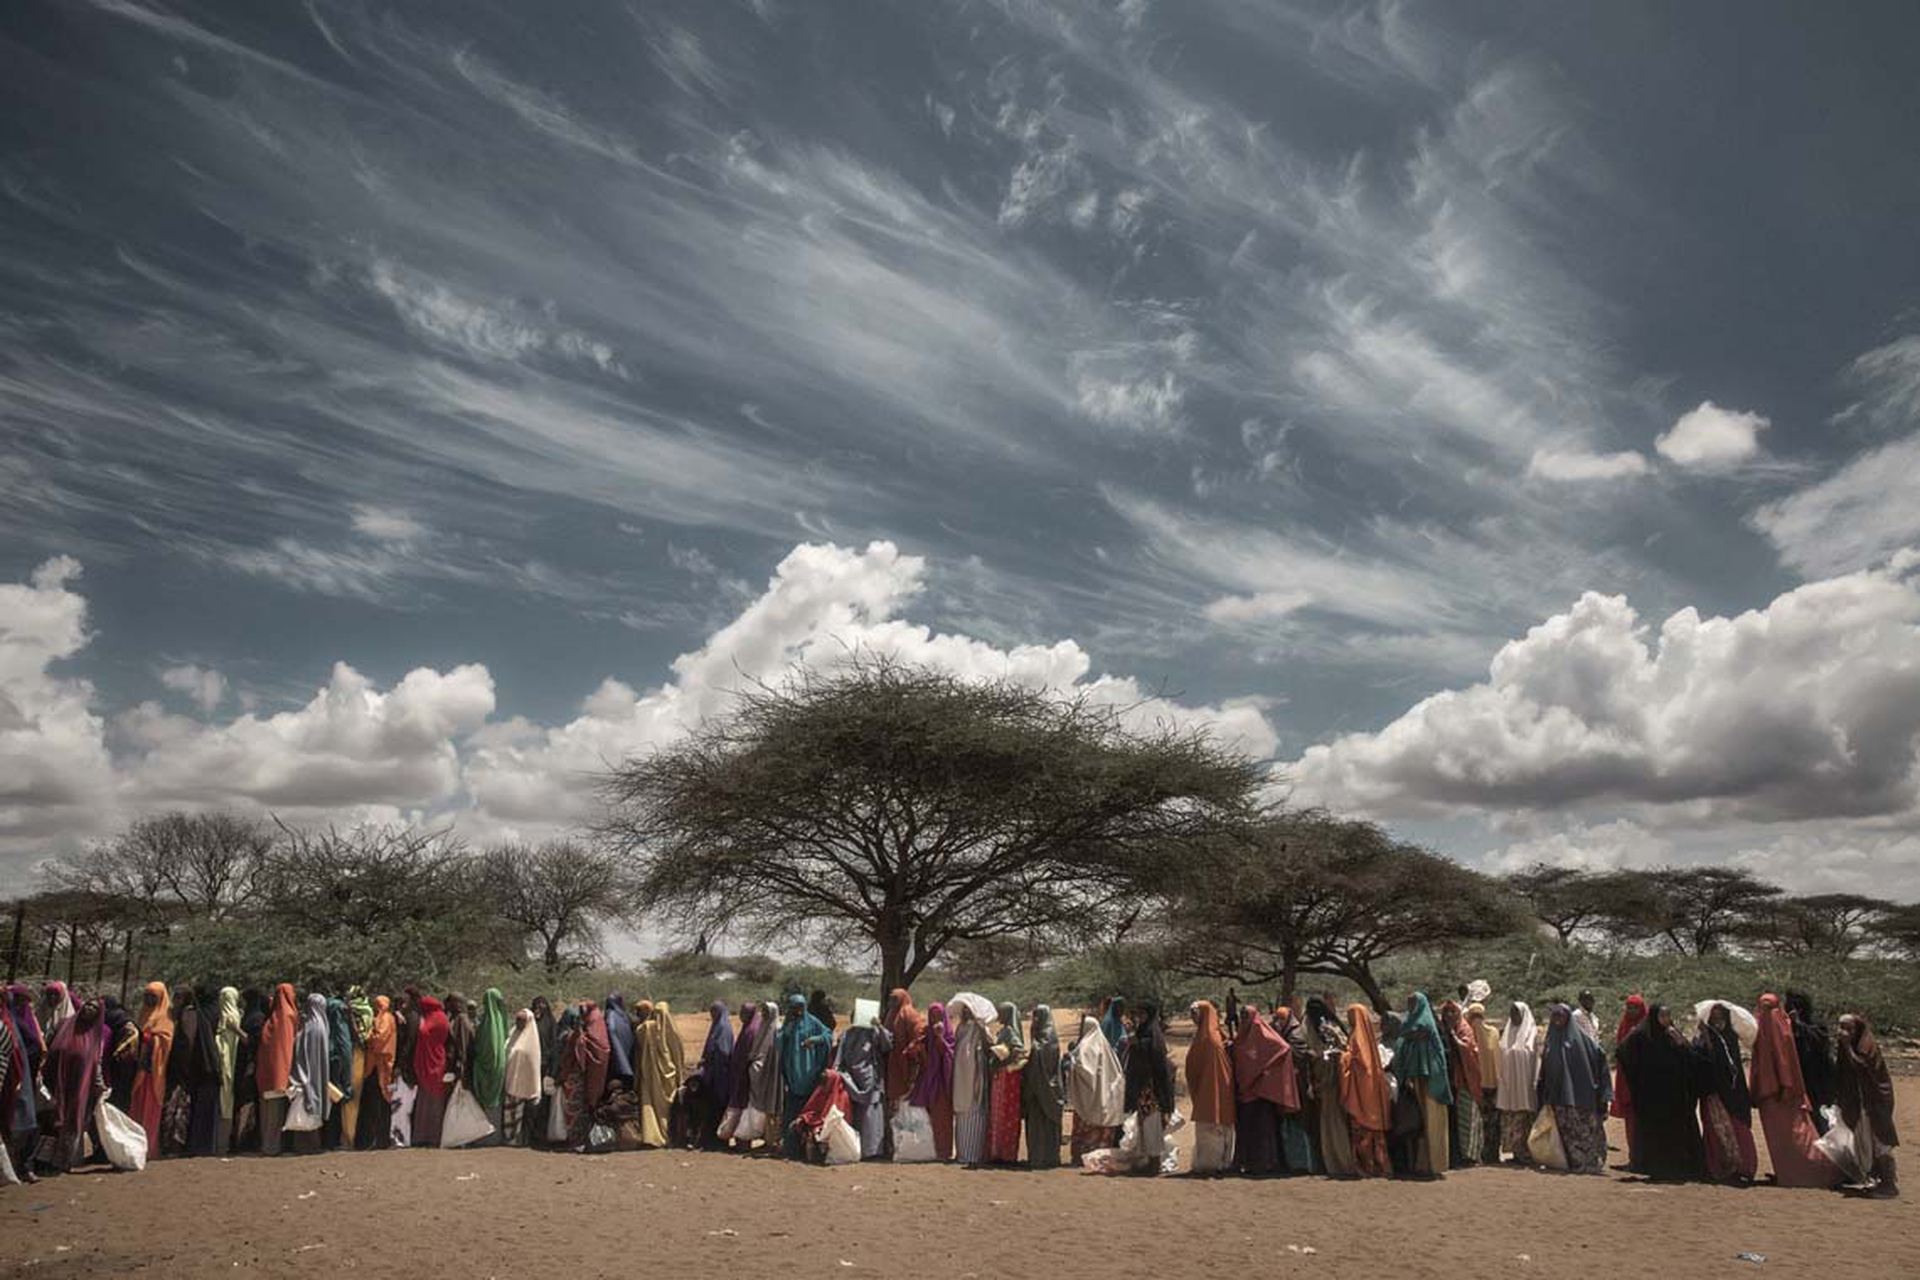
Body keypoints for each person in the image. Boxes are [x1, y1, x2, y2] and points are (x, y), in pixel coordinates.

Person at [1750, 993, 1840, 1188]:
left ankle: (1829, 1169)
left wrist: (1798, 1024)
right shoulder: (1780, 1027)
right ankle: (1792, 1171)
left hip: (1815, 1086)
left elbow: (1792, 1056)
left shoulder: (1807, 1026)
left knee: (1817, 1130)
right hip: (1794, 1088)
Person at [1614, 1003, 1704, 1182]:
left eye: (1667, 1016)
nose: (1665, 1020)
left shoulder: (1673, 1034)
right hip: (1654, 1096)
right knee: (1656, 1133)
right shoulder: (1642, 1034)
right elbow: (1623, 1051)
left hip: (1675, 1095)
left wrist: (1681, 1043)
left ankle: (1681, 1167)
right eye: (1661, 1016)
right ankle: (1658, 1167)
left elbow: (1690, 1058)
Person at [36, 996, 107, 1175]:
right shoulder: (64, 1025)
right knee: (51, 1120)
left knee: (70, 1122)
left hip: (79, 1086)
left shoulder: (96, 1037)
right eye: (88, 1005)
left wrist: (100, 1085)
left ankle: (60, 1162)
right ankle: (41, 1160)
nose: (89, 1009)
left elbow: (96, 1062)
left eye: (94, 1009)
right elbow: (47, 1046)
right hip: (55, 1080)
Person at [1538, 1001, 1611, 1174]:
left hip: (1582, 1096)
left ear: (1568, 1017)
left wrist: (1604, 1095)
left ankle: (1590, 1163)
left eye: (1560, 1016)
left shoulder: (1582, 1041)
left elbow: (1600, 1060)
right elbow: (1545, 1069)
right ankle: (1573, 1162)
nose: (1557, 1020)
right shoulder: (1551, 1039)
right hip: (1559, 1096)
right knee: (1567, 1132)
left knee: (1585, 1130)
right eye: (1554, 1016)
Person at [1693, 1002, 1756, 1185]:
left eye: (1720, 1015)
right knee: (1715, 1129)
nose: (1717, 1019)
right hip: (1712, 1091)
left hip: (1731, 1092)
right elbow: (1700, 1058)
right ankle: (1719, 1166)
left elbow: (1729, 1064)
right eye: (1714, 1015)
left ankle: (1742, 1167)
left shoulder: (1728, 1037)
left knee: (1736, 1128)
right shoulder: (1704, 1038)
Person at [1835, 1013, 1898, 1196]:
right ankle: (1876, 1180)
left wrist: (1847, 1047)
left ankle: (1889, 1184)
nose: (1842, 1032)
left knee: (1880, 1141)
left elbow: (1862, 1068)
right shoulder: (1846, 1047)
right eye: (1840, 1027)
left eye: (1848, 1028)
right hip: (1861, 1102)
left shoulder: (1866, 1047)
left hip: (1875, 1102)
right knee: (1865, 1140)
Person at [1231, 1003, 1296, 1176]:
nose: (1244, 1018)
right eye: (1242, 1015)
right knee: (1245, 1128)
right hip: (1244, 1090)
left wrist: (1265, 1072)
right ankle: (1247, 1163)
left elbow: (1283, 1048)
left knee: (1262, 1129)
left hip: (1260, 1091)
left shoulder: (1261, 1031)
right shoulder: (1241, 1035)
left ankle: (1265, 1164)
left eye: (1246, 1015)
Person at [1391, 992, 1451, 1177]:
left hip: (1430, 1083)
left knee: (1430, 1122)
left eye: (1413, 1002)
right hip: (1412, 1083)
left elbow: (1436, 1059)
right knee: (1416, 1123)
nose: (1410, 1006)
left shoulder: (1426, 1028)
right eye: (1408, 1002)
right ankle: (1419, 1164)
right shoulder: (1408, 1027)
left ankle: (1433, 1163)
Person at [1123, 999, 1175, 1175]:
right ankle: (1148, 1160)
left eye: (1143, 1014)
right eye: (1138, 1014)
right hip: (1143, 1087)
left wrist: (1137, 1043)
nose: (1139, 1017)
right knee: (1144, 1124)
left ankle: (1154, 1162)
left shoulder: (1153, 1033)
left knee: (1152, 1124)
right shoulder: (1143, 1031)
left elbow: (1154, 1055)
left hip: (1152, 1088)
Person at [1340, 1004, 1393, 1178]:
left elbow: (1359, 1062)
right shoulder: (1367, 1037)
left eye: (1350, 1015)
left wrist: (1343, 1057)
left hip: (1361, 1091)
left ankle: (1367, 1167)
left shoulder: (1358, 1037)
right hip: (1371, 1090)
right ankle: (1381, 1166)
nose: (1348, 1019)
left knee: (1362, 1127)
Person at [1304, 998, 1354, 1177]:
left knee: (1332, 1121)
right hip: (1334, 1080)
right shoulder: (1333, 1026)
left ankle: (1339, 1162)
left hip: (1330, 1081)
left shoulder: (1323, 1029)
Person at [1184, 999, 1235, 1175]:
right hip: (1206, 1090)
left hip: (1213, 1091)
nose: (1193, 1018)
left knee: (1212, 1129)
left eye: (1195, 1014)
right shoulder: (1204, 1035)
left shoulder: (1211, 1040)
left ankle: (1212, 1164)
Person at [778, 994, 831, 1159]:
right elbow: (779, 1042)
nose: (798, 1010)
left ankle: (805, 1150)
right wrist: (786, 1031)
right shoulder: (788, 1023)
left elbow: (828, 1035)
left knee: (807, 1113)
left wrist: (815, 1039)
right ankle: (790, 1149)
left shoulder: (813, 1022)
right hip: (792, 1075)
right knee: (790, 1113)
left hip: (809, 1074)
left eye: (800, 1007)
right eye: (794, 1007)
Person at [1066, 1011, 1123, 1163]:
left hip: (1090, 1097)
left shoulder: (1088, 1046)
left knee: (1086, 1123)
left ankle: (1083, 1156)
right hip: (1103, 1094)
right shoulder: (1103, 1045)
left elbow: (1086, 1070)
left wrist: (1071, 1060)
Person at [834, 1009, 891, 1159]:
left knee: (872, 1115)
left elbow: (887, 1045)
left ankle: (873, 1150)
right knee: (857, 1114)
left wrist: (879, 1026)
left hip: (870, 1079)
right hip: (852, 1080)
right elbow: (839, 1058)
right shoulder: (847, 1034)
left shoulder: (873, 1033)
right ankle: (857, 1148)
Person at [129, 981, 174, 1161]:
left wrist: (151, 1040)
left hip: (155, 1072)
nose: (148, 1000)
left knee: (151, 1111)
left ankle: (149, 1149)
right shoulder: (142, 1015)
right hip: (140, 1072)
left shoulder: (166, 1017)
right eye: (146, 996)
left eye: (153, 997)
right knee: (136, 1109)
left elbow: (166, 1041)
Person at [906, 1002, 955, 1161]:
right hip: (928, 1079)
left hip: (942, 1080)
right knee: (929, 1117)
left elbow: (950, 1055)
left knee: (943, 1118)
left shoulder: (948, 1033)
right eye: (932, 1016)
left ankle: (944, 1152)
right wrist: (917, 1047)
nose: (935, 1019)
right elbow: (916, 1054)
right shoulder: (926, 1033)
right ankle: (930, 1150)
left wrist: (940, 1038)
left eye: (938, 1016)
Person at [4, 986, 43, 1180]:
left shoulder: (18, 1021)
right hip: (15, 1076)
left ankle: (24, 1167)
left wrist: (21, 1065)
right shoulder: (9, 1019)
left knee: (24, 1123)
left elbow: (36, 1046)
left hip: (20, 1078)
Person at [1784, 991, 1836, 1135]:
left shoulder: (1816, 1025)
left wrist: (1798, 1024)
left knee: (1822, 1117)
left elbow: (1819, 1042)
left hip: (1819, 1080)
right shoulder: (1787, 1027)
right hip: (1801, 1079)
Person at [1439, 999, 1483, 1168]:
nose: (1449, 1015)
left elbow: (1468, 1050)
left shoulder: (1464, 1029)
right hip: (1451, 1081)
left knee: (1468, 1117)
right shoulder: (1442, 1029)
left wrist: (1453, 1037)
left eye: (1452, 1012)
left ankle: (1471, 1155)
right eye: (1446, 1012)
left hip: (1466, 1080)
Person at [1495, 1001, 1539, 1165]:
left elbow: (1531, 1056)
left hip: (1524, 1085)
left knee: (1523, 1117)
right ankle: (1514, 1152)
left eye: (1516, 1013)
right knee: (1510, 1118)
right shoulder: (1507, 1033)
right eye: (1511, 1013)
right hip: (1509, 1085)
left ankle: (1525, 1154)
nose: (1513, 1016)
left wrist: (1514, 1053)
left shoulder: (1531, 1032)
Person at [687, 1001, 736, 1151]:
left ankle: (718, 1141)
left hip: (720, 1075)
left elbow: (723, 1052)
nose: (712, 1015)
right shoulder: (716, 1027)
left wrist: (709, 1060)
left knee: (718, 1107)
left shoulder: (723, 1028)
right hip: (713, 1075)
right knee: (712, 1107)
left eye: (714, 1012)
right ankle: (710, 1139)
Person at [287, 993, 332, 1154]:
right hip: (318, 1074)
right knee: (314, 1107)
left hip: (306, 1074)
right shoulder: (323, 1026)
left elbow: (300, 1052)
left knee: (306, 1106)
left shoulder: (310, 1027)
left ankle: (303, 1146)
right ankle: (313, 1145)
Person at [255, 983, 297, 1155]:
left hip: (267, 1071)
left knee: (267, 1112)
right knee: (275, 1113)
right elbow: (286, 1047)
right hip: (280, 1071)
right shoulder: (287, 1016)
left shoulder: (273, 1016)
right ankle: (272, 1147)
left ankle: (267, 1145)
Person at [1022, 1005, 1064, 1170]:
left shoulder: (1048, 1037)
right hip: (1037, 1090)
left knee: (1045, 1125)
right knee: (1035, 1126)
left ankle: (1049, 1158)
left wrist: (1032, 1049)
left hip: (1046, 1089)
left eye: (1037, 1017)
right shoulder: (1040, 1036)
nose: (1035, 1021)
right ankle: (1037, 1158)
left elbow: (1042, 1059)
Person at [951, 1002, 993, 1167]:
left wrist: (982, 1029)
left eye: (969, 1011)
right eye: (964, 1011)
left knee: (975, 1110)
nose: (967, 1013)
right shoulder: (960, 1028)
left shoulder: (980, 1028)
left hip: (976, 1074)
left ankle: (974, 1155)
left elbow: (990, 1044)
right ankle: (962, 1154)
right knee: (962, 1115)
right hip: (961, 1074)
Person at [635, 1000, 682, 1147]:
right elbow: (679, 1054)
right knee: (667, 1106)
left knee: (652, 1104)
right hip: (669, 1074)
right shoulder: (674, 1031)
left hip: (650, 1074)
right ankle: (670, 1135)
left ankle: (653, 1136)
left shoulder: (644, 1029)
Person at [183, 987, 224, 1156]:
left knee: (198, 1110)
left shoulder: (196, 1015)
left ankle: (196, 1145)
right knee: (209, 1110)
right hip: (210, 1067)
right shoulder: (214, 1014)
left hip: (197, 1069)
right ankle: (207, 1146)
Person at [1611, 993, 1648, 1169]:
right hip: (1627, 1081)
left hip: (1643, 1083)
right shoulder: (1624, 1025)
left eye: (1635, 1007)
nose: (1631, 1011)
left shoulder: (1647, 1027)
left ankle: (1645, 1159)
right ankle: (1634, 1158)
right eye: (1629, 1007)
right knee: (1630, 1122)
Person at [716, 1002, 762, 1149]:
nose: (741, 1015)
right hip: (739, 1074)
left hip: (746, 1075)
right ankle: (739, 1139)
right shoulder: (747, 1028)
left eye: (744, 1012)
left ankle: (744, 1141)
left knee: (744, 1109)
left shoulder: (753, 1030)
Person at [987, 1001, 1027, 1164]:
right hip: (1000, 1077)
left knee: (1007, 1113)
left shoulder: (1010, 1031)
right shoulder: (1003, 1031)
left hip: (1008, 1078)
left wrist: (1004, 1058)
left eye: (1001, 1013)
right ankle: (998, 1151)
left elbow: (1019, 1051)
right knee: (998, 1113)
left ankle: (1007, 1153)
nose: (998, 1016)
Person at [355, 995, 397, 1150]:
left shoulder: (385, 1019)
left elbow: (378, 1041)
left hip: (380, 1066)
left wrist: (367, 1037)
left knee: (377, 1103)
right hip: (377, 1066)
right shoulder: (384, 1018)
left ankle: (376, 1140)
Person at [410, 994, 451, 1148]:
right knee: (426, 1101)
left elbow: (424, 1032)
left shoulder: (437, 1019)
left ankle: (431, 1136)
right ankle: (424, 1135)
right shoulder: (440, 1017)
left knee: (434, 1102)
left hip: (434, 1063)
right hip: (432, 1061)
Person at [884, 988, 925, 1128]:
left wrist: (911, 1050)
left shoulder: (909, 1013)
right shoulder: (891, 1015)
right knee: (893, 1103)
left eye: (895, 999)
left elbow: (919, 1035)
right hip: (892, 1064)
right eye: (890, 999)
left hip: (906, 1064)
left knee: (905, 1101)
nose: (891, 1002)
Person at [1466, 1003, 1502, 1164]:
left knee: (1480, 1121)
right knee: (1493, 1122)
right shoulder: (1493, 1032)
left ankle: (1480, 1154)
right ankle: (1492, 1154)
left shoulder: (1469, 1034)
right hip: (1494, 1085)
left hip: (1477, 1086)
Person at [745, 1000, 784, 1150]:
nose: (765, 1015)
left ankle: (774, 1140)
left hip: (774, 1071)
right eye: (764, 1012)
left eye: (767, 1012)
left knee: (775, 1105)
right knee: (767, 1106)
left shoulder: (778, 1029)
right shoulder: (763, 1026)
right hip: (761, 1069)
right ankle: (768, 1138)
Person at [501, 1007, 542, 1146]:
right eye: (517, 1020)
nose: (518, 1023)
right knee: (510, 1112)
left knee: (522, 1113)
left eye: (521, 1020)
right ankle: (509, 1138)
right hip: (510, 1080)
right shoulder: (513, 1034)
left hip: (524, 1084)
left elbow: (533, 1065)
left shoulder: (532, 1041)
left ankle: (519, 1140)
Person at [321, 996, 354, 1150]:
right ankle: (333, 1140)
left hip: (324, 1069)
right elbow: (346, 1051)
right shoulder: (341, 1027)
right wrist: (348, 1082)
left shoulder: (322, 1024)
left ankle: (326, 1139)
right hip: (337, 1065)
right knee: (335, 1104)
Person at [212, 987, 241, 1155]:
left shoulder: (220, 1017)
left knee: (223, 1103)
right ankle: (222, 1145)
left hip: (224, 1064)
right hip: (229, 1064)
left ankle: (219, 1144)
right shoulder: (232, 1016)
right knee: (226, 1103)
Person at [603, 993, 637, 1090]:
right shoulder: (625, 1015)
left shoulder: (610, 1015)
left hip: (615, 1050)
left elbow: (611, 1030)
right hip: (627, 1049)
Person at [1099, 995, 1130, 1066]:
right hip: (1111, 1055)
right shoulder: (1109, 1022)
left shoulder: (1119, 1021)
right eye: (1120, 1007)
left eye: (1123, 1007)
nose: (1122, 1009)